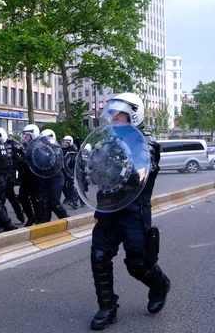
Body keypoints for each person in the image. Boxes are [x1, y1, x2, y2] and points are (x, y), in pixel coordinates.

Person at [89, 93, 170, 331]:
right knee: (99, 255)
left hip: (133, 211)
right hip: (107, 208)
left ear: (134, 114)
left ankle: (160, 285)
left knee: (137, 264)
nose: (114, 118)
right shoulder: (108, 141)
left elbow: (139, 171)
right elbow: (94, 170)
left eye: (120, 114)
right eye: (112, 114)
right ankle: (107, 308)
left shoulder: (147, 143)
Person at [0, 127, 25, 224]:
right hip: (1, 175)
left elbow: (23, 153)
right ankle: (4, 221)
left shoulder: (13, 144)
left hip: (10, 176)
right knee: (2, 199)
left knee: (11, 198)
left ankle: (19, 216)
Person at [38, 129, 69, 222]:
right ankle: (45, 224)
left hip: (56, 178)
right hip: (46, 178)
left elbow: (54, 161)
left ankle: (67, 221)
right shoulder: (40, 149)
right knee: (45, 202)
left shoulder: (57, 149)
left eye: (45, 139)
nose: (44, 141)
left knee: (54, 203)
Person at [17, 124, 44, 226]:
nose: (25, 137)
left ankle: (39, 219)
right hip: (26, 177)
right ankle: (31, 217)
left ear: (33, 135)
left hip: (35, 178)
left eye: (27, 135)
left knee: (36, 199)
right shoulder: (27, 145)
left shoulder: (38, 146)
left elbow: (37, 161)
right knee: (22, 197)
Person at [61, 135, 79, 209]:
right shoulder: (62, 149)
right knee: (63, 185)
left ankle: (74, 202)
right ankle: (68, 197)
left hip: (72, 170)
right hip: (64, 169)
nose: (64, 144)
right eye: (64, 142)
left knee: (73, 185)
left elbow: (73, 161)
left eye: (66, 142)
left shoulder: (73, 150)